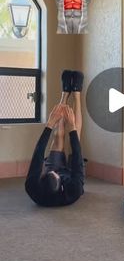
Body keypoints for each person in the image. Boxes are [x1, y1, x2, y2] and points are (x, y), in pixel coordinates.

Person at [25, 70, 85, 207]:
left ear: (42, 179)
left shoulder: (32, 187)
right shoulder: (73, 191)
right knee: (75, 137)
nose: (53, 170)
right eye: (55, 173)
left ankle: (65, 94)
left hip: (54, 184)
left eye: (48, 172)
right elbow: (77, 155)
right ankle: (76, 93)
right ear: (61, 184)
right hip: (72, 178)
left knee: (58, 138)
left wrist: (50, 125)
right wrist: (72, 127)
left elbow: (38, 154)